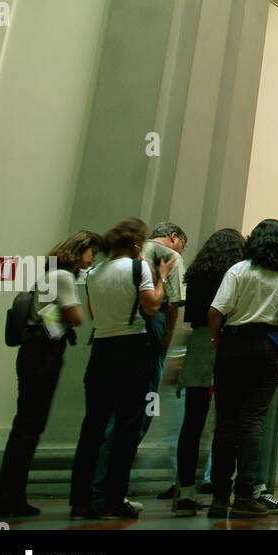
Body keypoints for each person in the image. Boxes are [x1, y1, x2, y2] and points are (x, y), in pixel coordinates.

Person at [0, 230, 101, 518]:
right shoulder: (63, 277)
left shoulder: (50, 275)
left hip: (33, 351)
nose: (93, 259)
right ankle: (10, 497)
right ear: (78, 252)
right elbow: (76, 317)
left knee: (24, 425)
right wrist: (73, 306)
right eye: (91, 253)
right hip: (45, 355)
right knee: (30, 427)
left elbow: (51, 312)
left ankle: (8, 494)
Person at [69, 219, 173, 520]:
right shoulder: (138, 269)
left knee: (93, 427)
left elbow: (91, 313)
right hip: (132, 350)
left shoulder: (93, 272)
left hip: (101, 350)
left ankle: (80, 500)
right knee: (127, 427)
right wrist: (161, 278)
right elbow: (152, 306)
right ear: (137, 243)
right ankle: (114, 498)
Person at [92, 219, 187, 509]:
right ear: (173, 237)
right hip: (145, 346)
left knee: (103, 420)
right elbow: (168, 306)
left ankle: (94, 488)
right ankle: (111, 490)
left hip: (105, 345)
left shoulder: (104, 265)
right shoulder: (169, 257)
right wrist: (165, 348)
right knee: (136, 419)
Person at [207, 219, 278, 518]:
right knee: (253, 422)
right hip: (270, 346)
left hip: (233, 344)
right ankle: (245, 495)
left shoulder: (239, 270)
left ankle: (219, 498)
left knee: (226, 422)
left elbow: (216, 310)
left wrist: (216, 337)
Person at [171, 227, 245, 516]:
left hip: (200, 345)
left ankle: (186, 490)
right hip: (228, 342)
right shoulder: (237, 273)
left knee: (191, 423)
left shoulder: (197, 272)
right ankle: (219, 487)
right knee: (227, 423)